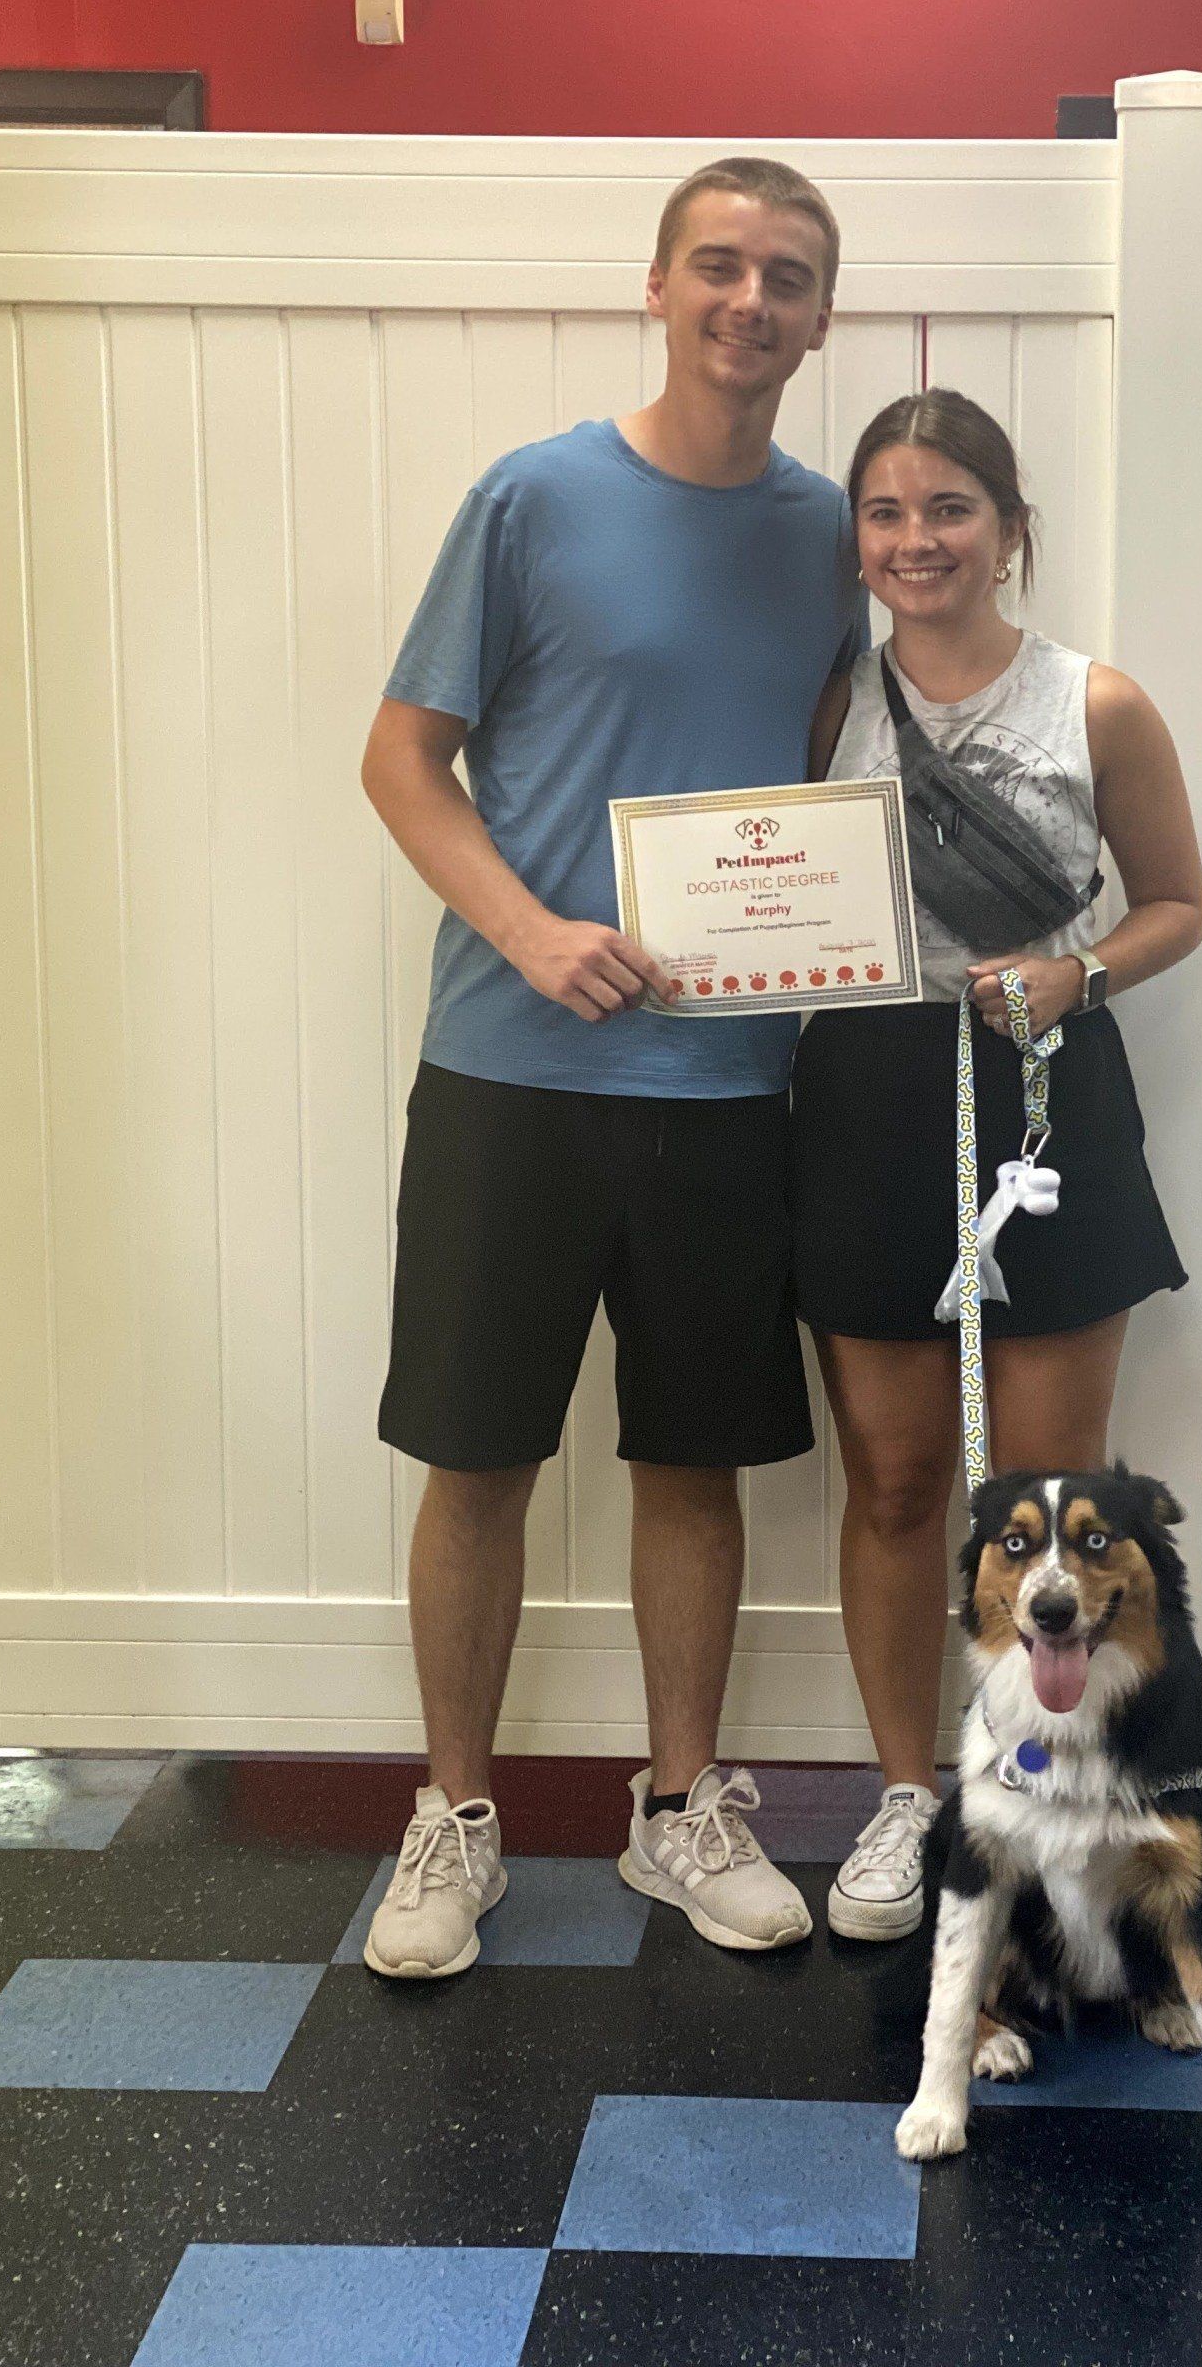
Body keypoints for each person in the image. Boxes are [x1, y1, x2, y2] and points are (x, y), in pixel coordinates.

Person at [359, 157, 863, 1978]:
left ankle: (681, 1811)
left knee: (693, 1462)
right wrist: (532, 931)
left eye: (787, 277)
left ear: (820, 316)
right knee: (476, 1454)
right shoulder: (536, 496)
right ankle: (453, 1821)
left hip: (727, 1089)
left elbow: (828, 782)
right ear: (655, 287)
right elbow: (405, 761)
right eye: (718, 266)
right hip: (510, 1070)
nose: (750, 300)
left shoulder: (836, 534)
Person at [792, 387, 1202, 1943]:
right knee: (896, 1479)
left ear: (1011, 529)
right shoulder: (826, 697)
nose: (917, 541)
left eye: (951, 509)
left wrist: (1075, 975)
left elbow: (1173, 902)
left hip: (1046, 1096)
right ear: (858, 540)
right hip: (864, 1093)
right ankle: (915, 1798)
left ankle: (1054, 1801)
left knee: (1051, 1505)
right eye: (887, 514)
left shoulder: (1096, 703)